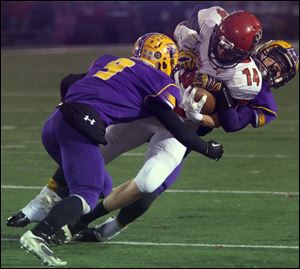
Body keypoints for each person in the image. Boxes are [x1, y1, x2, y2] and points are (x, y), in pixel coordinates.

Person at [18, 32, 224, 266]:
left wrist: (73, 105)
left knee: (103, 186)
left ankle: (36, 209)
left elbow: (68, 80)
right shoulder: (159, 81)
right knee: (86, 193)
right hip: (78, 128)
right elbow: (177, 128)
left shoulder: (108, 61)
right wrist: (207, 148)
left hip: (54, 122)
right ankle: (39, 235)